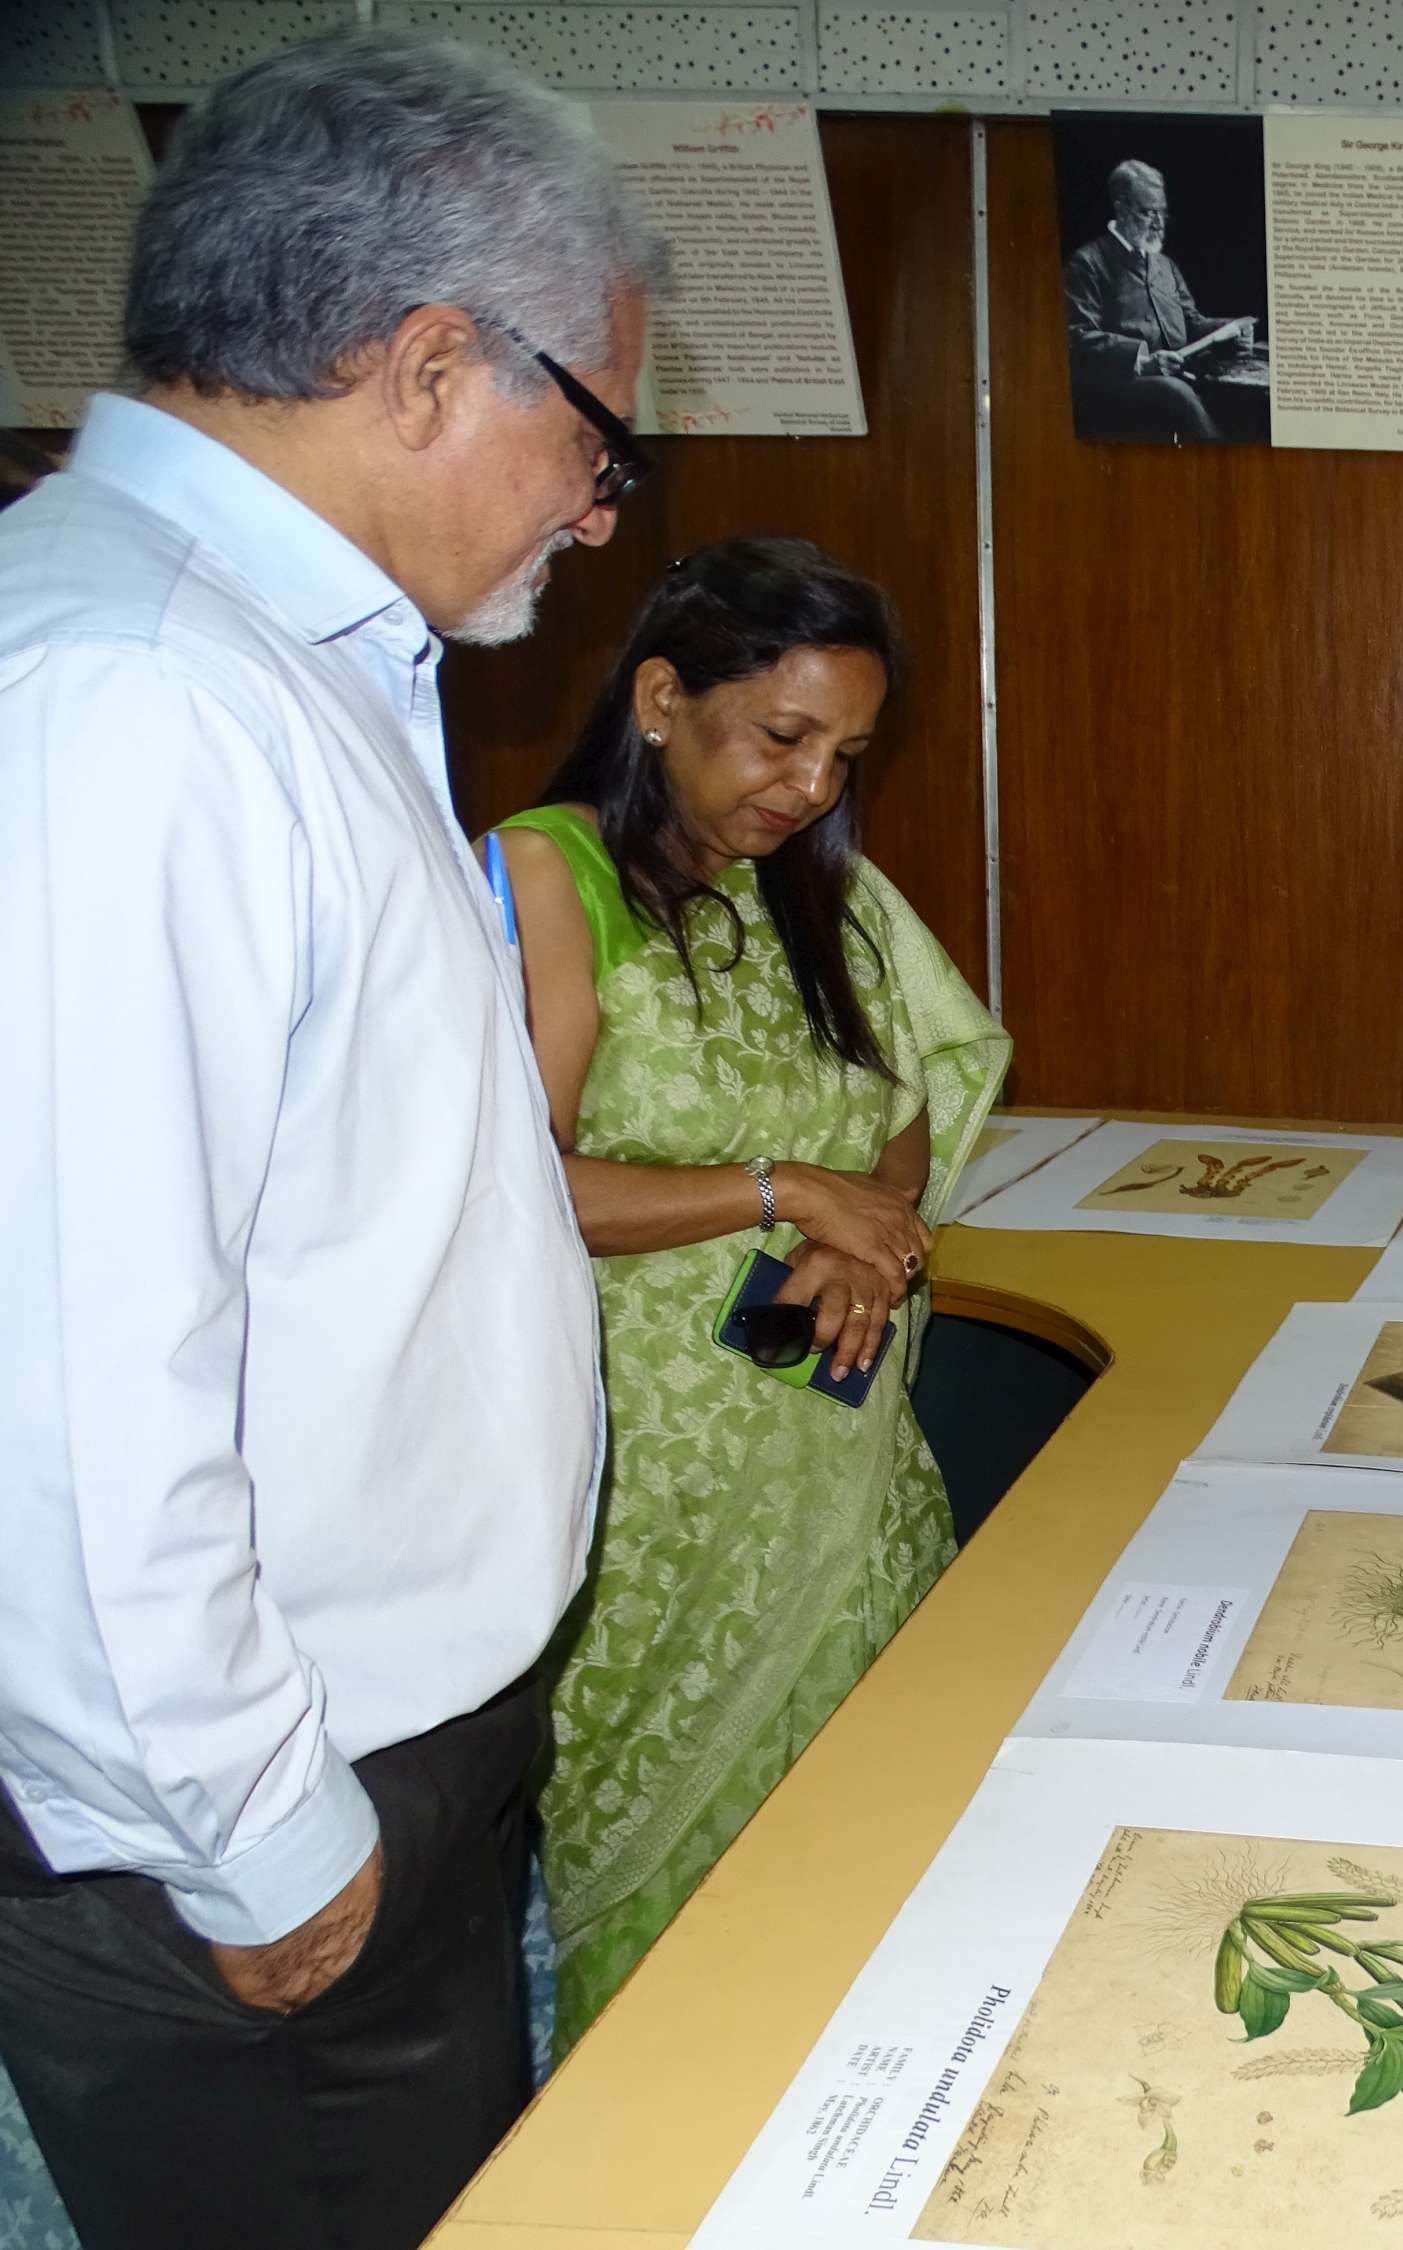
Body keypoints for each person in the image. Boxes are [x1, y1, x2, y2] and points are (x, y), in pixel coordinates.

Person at [0, 29, 664, 2250]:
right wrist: (254, 1833)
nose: (596, 510)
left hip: (372, 1757)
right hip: (255, 1829)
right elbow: (66, 1377)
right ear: (426, 364)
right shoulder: (134, 700)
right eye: (595, 442)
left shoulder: (294, 662)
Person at [491, 538, 1009, 2049]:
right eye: (782, 737)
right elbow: (513, 1188)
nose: (810, 787)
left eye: (843, 755)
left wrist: (869, 1224)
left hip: (834, 1440)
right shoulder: (548, 873)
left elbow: (911, 1096)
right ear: (662, 696)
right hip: (653, 1476)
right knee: (663, 1825)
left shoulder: (822, 889)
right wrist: (782, 1190)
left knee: (867, 1829)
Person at [1062, 158, 1257, 443]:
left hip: (1181, 372)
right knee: (1176, 395)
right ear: (1121, 209)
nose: (1158, 223)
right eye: (1147, 212)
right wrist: (1142, 362)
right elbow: (1076, 338)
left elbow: (1191, 322)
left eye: (1162, 213)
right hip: (1122, 382)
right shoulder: (1088, 262)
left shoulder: (1165, 265)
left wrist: (1232, 329)